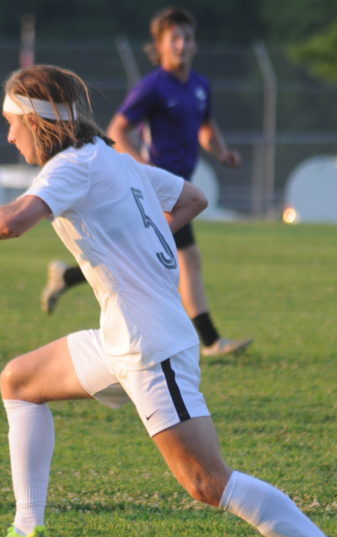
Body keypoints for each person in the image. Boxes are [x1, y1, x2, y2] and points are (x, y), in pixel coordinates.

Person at [0, 64, 337, 537]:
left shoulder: (70, 168)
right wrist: (137, 239)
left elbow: (13, 220)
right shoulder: (112, 159)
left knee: (207, 483)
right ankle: (28, 531)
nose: (9, 136)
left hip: (152, 348)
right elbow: (192, 198)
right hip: (122, 337)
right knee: (20, 381)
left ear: (37, 121)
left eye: (12, 122)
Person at [38, 7, 251, 358]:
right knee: (184, 258)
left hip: (180, 188)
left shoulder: (200, 86)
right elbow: (118, 129)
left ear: (195, 44)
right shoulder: (153, 87)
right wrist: (142, 170)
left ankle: (68, 277)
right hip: (158, 191)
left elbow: (206, 127)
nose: (182, 45)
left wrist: (223, 152)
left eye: (187, 38)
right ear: (160, 46)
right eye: (174, 38)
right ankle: (210, 341)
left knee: (134, 253)